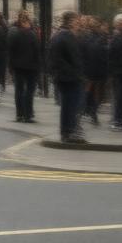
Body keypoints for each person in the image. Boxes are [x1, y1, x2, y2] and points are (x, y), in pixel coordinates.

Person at [48, 10, 87, 143]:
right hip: (69, 78)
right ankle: (69, 132)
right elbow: (72, 59)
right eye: (77, 21)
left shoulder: (60, 35)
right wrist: (76, 73)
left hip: (64, 77)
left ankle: (66, 132)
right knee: (71, 105)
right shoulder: (67, 36)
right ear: (70, 22)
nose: (79, 23)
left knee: (67, 105)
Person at [8, 11, 41, 123]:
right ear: (27, 22)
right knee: (29, 91)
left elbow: (11, 51)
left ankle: (19, 114)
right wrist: (38, 66)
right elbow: (37, 52)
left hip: (18, 67)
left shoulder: (15, 34)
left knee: (19, 90)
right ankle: (28, 114)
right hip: (31, 67)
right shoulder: (33, 35)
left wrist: (11, 66)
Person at [80, 16, 108, 126]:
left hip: (91, 69)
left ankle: (87, 111)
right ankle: (91, 113)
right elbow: (104, 54)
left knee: (90, 91)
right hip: (95, 69)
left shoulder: (86, 37)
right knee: (95, 93)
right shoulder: (101, 37)